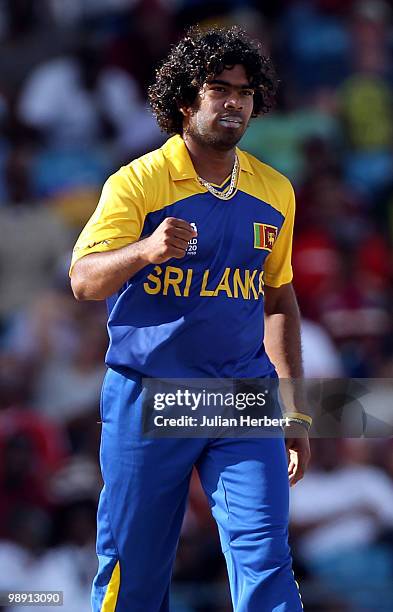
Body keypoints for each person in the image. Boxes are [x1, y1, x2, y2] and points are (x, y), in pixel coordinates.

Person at [70, 25, 311, 612]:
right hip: (150, 395)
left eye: (245, 92)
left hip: (240, 394)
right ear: (184, 100)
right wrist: (145, 251)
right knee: (136, 567)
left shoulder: (275, 190)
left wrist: (295, 409)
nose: (234, 102)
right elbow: (83, 281)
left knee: (266, 556)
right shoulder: (138, 181)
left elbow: (278, 300)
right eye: (218, 89)